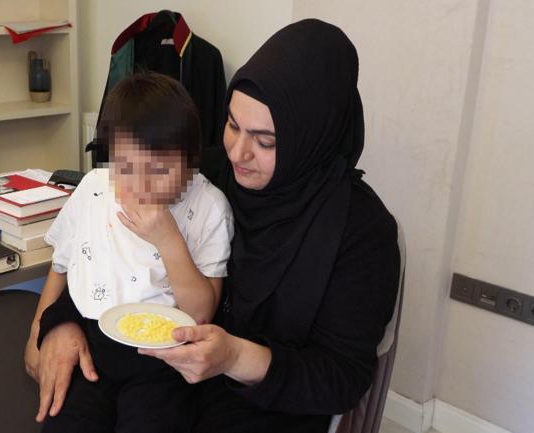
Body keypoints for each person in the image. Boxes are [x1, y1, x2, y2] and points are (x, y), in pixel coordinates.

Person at [33, 18, 400, 433]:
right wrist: (57, 323)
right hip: (158, 374)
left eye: (266, 142)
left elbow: (340, 379)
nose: (238, 153)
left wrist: (236, 358)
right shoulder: (200, 174)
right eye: (232, 124)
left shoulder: (363, 234)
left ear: (312, 137)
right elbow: (111, 253)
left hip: (261, 407)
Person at [24, 72, 234, 432]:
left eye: (159, 169)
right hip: (93, 347)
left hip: (164, 361)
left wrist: (168, 239)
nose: (141, 184)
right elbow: (61, 267)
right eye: (126, 167)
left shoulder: (210, 207)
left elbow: (201, 313)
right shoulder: (94, 189)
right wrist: (35, 332)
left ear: (190, 159)